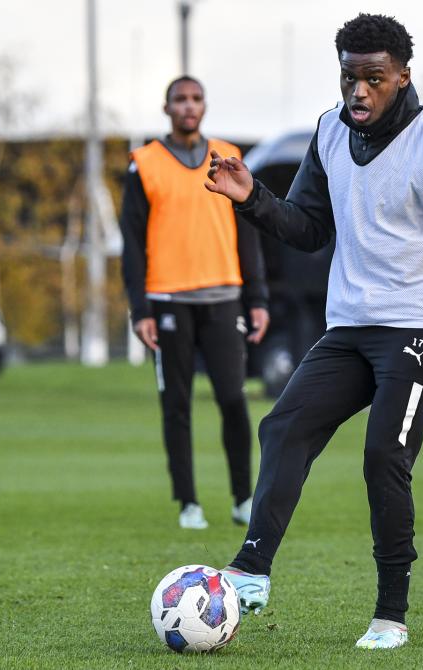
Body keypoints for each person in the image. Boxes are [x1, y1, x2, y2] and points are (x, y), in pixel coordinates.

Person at [207, 14, 423, 649]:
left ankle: (390, 615)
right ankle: (251, 571)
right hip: (350, 326)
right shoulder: (327, 132)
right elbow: (310, 228)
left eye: (374, 79)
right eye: (350, 77)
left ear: (403, 77)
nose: (359, 92)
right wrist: (251, 198)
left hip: (420, 331)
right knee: (285, 425)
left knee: (383, 458)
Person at [119, 76, 270, 530]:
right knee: (177, 404)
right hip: (167, 300)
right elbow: (131, 243)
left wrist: (256, 297)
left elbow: (248, 230)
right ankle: (188, 503)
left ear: (204, 106)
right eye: (180, 99)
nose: (189, 106)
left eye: (196, 98)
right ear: (167, 108)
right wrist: (140, 309)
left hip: (224, 297)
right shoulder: (143, 163)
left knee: (232, 399)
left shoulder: (228, 157)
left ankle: (243, 498)